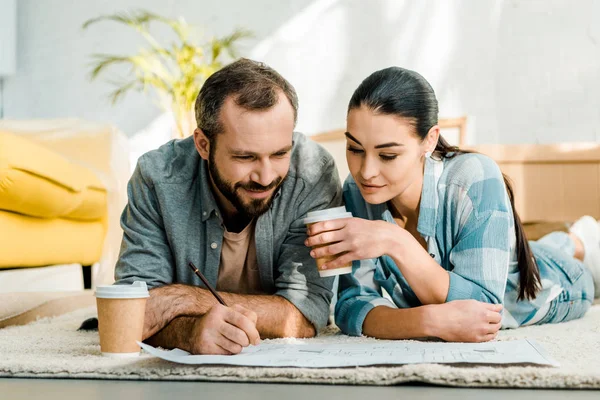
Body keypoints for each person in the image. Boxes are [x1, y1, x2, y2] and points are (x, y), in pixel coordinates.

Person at [305, 67, 598, 342]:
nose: (365, 172)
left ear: (429, 140)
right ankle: (570, 238)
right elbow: (351, 306)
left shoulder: (474, 176)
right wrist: (427, 321)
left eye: (388, 155)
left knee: (567, 262)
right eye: (355, 149)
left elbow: (481, 310)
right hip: (513, 255)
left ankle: (580, 240)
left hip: (560, 281)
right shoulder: (358, 191)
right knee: (530, 247)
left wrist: (395, 241)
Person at [114, 58, 342, 355]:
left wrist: (183, 299)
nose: (266, 176)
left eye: (279, 153)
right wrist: (189, 334)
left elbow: (303, 315)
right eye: (245, 157)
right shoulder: (157, 178)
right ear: (203, 145)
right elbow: (134, 314)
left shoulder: (312, 173)